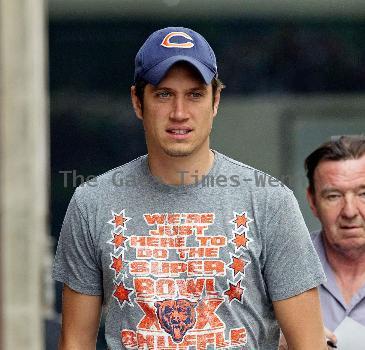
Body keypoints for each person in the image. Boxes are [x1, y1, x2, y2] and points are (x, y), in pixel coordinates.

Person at [53, 26, 328, 350]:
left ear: (215, 100)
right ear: (137, 102)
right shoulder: (93, 203)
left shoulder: (270, 201)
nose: (179, 113)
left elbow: (309, 344)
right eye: (164, 94)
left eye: (195, 94)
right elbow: (75, 341)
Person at [305, 135, 365, 333]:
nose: (350, 211)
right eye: (333, 196)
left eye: (363, 194)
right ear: (312, 202)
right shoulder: (278, 269)